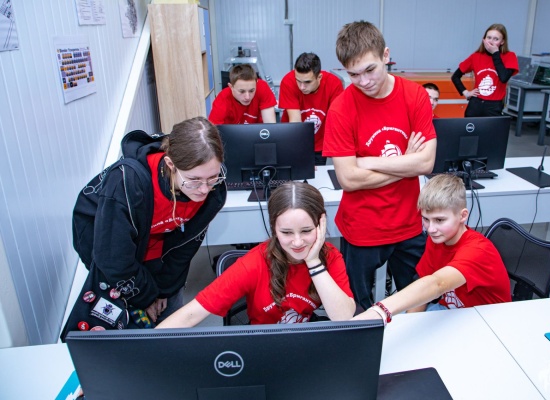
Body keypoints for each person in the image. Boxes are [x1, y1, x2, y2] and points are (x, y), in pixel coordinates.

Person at [322, 20, 437, 311]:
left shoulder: (415, 96)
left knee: (417, 301)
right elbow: (349, 180)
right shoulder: (341, 108)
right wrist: (405, 163)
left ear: (386, 55)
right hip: (362, 228)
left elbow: (426, 162)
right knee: (357, 308)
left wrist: (369, 162)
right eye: (353, 74)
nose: (363, 82)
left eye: (370, 70)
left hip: (409, 223)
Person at [72, 116, 227, 328]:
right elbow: (114, 259)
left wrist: (163, 290)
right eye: (194, 180)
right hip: (110, 248)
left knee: (170, 318)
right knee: (127, 326)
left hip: (157, 244)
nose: (204, 189)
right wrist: (145, 296)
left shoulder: (214, 189)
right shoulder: (127, 182)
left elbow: (184, 249)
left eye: (212, 178)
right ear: (170, 164)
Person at [156, 182, 356, 327]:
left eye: (306, 231)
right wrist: (148, 349)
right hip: (262, 346)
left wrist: (313, 262)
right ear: (274, 229)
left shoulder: (330, 257)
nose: (297, 242)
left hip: (304, 342)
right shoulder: (254, 263)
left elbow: (344, 317)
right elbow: (191, 314)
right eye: (286, 232)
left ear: (321, 224)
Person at [354, 174, 511, 323]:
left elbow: (437, 284)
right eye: (426, 219)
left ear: (463, 216)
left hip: (486, 321)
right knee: (397, 326)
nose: (431, 229)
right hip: (451, 311)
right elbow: (424, 283)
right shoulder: (438, 239)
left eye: (439, 220)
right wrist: (410, 324)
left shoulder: (478, 250)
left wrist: (381, 310)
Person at [279, 52, 344, 165]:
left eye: (307, 82)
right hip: (293, 141)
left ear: (319, 77)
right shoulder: (288, 81)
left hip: (319, 145)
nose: (302, 87)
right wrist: (300, 157)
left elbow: (335, 122)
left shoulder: (333, 84)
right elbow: (295, 122)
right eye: (298, 81)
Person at [451, 23, 519, 117]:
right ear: (484, 39)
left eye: (496, 39)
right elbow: (455, 76)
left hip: (494, 106)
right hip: (475, 104)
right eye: (489, 37)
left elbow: (503, 78)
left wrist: (495, 53)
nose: (491, 42)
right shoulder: (475, 56)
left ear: (502, 42)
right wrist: (466, 93)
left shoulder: (509, 56)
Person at [208, 63, 277, 124]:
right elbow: (213, 131)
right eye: (242, 91)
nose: (247, 97)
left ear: (256, 84)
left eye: (251, 91)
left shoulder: (262, 87)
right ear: (231, 87)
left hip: (259, 133)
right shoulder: (222, 99)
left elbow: (270, 125)